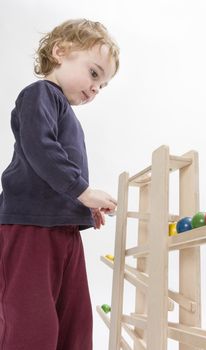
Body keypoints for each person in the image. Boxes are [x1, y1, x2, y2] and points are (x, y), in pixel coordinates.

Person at [0, 19, 119, 350]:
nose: (96, 88)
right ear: (61, 52)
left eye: (103, 86)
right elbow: (41, 149)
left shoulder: (67, 114)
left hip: (63, 228)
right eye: (94, 74)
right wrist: (82, 191)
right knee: (31, 320)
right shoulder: (38, 95)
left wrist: (81, 203)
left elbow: (61, 168)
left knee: (76, 320)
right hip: (29, 226)